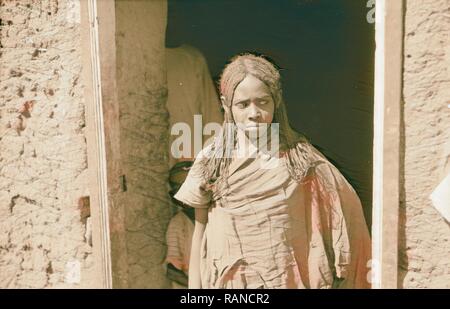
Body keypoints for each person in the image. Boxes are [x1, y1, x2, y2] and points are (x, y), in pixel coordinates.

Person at [174, 53, 371, 289]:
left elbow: (346, 213)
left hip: (286, 280)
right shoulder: (212, 160)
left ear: (276, 101)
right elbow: (200, 232)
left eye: (263, 101)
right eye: (243, 104)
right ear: (226, 105)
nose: (254, 112)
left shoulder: (301, 159)